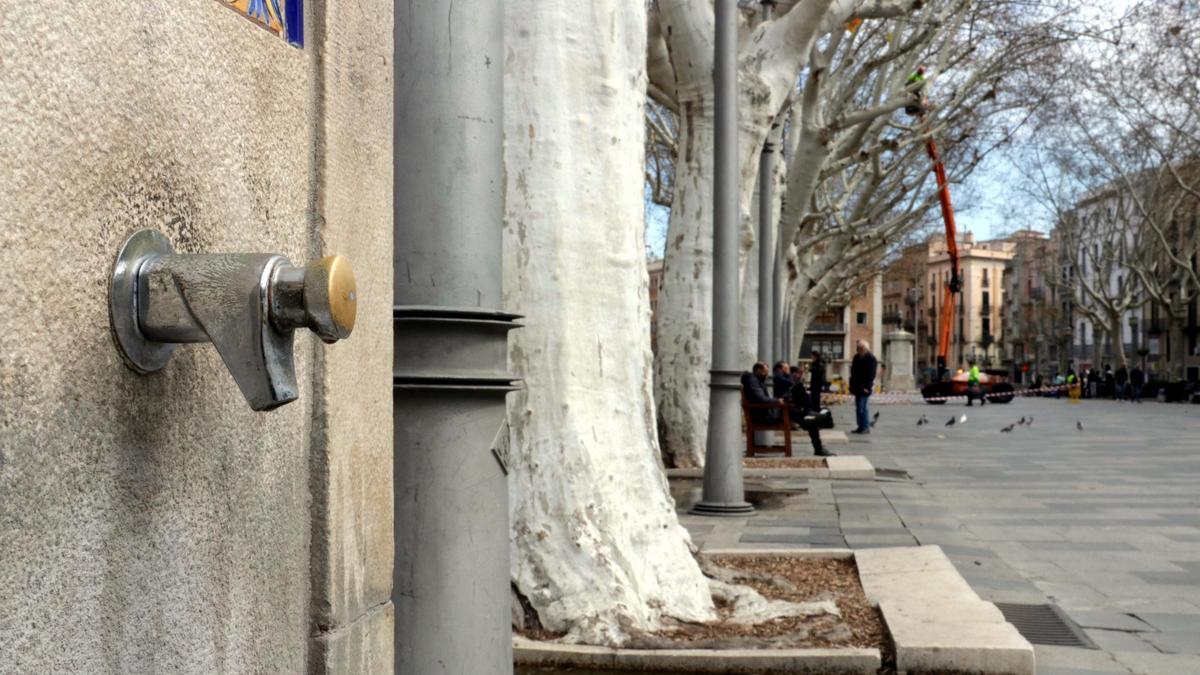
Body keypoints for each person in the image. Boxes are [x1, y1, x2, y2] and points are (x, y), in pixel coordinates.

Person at [787, 373, 835, 457]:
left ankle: (810, 413)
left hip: (786, 409)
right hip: (780, 411)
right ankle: (818, 449)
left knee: (812, 420)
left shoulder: (783, 379)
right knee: (811, 421)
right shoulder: (779, 378)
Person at [850, 340, 877, 434]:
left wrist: (867, 387)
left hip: (865, 387)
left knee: (863, 408)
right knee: (858, 408)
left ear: (866, 349)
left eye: (861, 348)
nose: (859, 350)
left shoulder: (871, 358)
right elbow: (853, 373)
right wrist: (852, 386)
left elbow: (871, 375)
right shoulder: (856, 357)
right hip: (857, 386)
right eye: (858, 348)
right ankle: (860, 426)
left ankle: (865, 427)